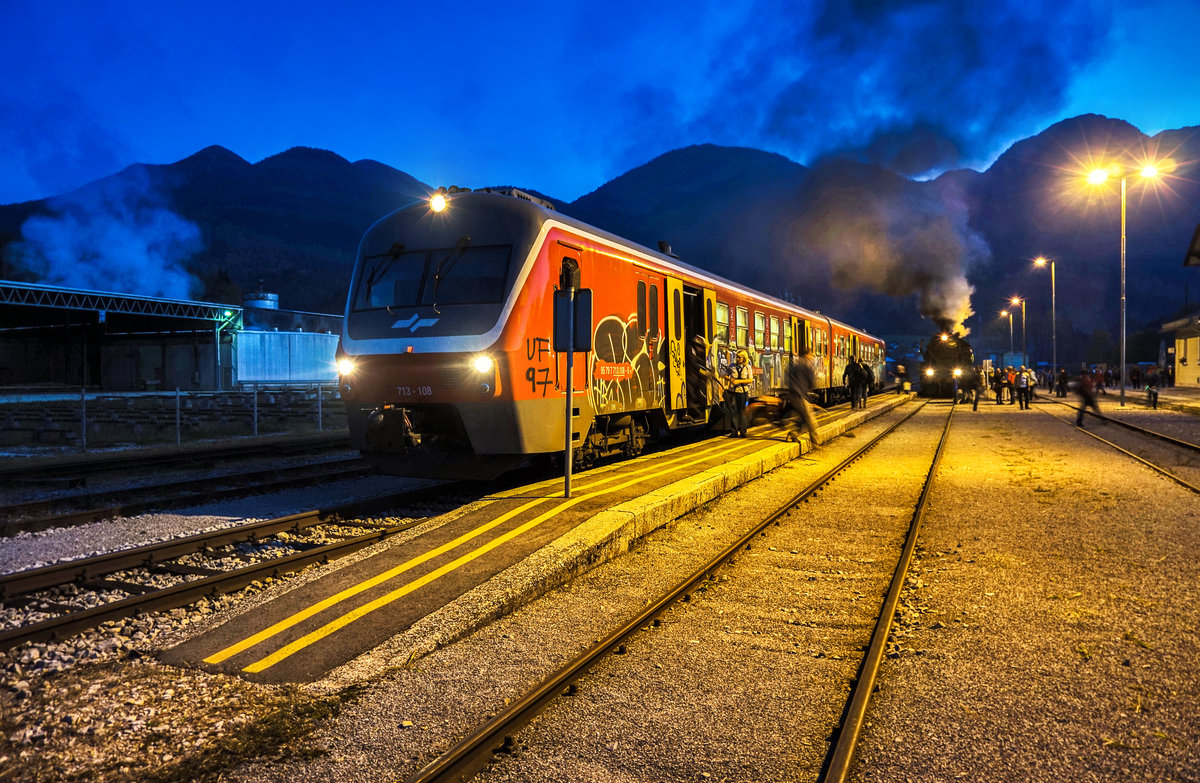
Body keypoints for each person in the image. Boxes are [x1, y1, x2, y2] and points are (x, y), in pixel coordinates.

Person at [781, 348, 821, 446]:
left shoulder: (794, 365)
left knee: (802, 419)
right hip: (801, 395)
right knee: (810, 420)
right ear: (807, 355)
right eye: (811, 355)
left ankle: (792, 435)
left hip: (792, 394)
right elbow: (812, 382)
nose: (812, 358)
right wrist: (809, 390)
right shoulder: (807, 365)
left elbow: (787, 379)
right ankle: (816, 443)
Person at [724, 349, 753, 437]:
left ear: (744, 358)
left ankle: (743, 432)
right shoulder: (732, 366)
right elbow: (725, 375)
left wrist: (738, 381)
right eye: (737, 357)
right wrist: (730, 379)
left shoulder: (748, 367)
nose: (738, 359)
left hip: (743, 393)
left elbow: (750, 379)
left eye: (740, 357)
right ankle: (734, 432)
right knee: (734, 412)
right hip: (733, 392)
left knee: (743, 412)